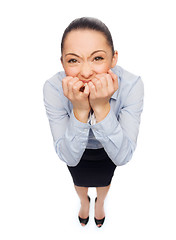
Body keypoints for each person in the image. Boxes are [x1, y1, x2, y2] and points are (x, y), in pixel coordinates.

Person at [43, 17, 144, 228]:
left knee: (105, 181)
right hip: (76, 152)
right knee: (79, 181)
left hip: (109, 151)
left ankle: (100, 203)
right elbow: (69, 157)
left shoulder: (132, 85)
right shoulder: (53, 88)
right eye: (73, 60)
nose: (86, 72)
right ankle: (83, 202)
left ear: (113, 58)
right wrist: (80, 110)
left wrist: (101, 107)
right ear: (62, 62)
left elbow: (123, 155)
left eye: (97, 58)